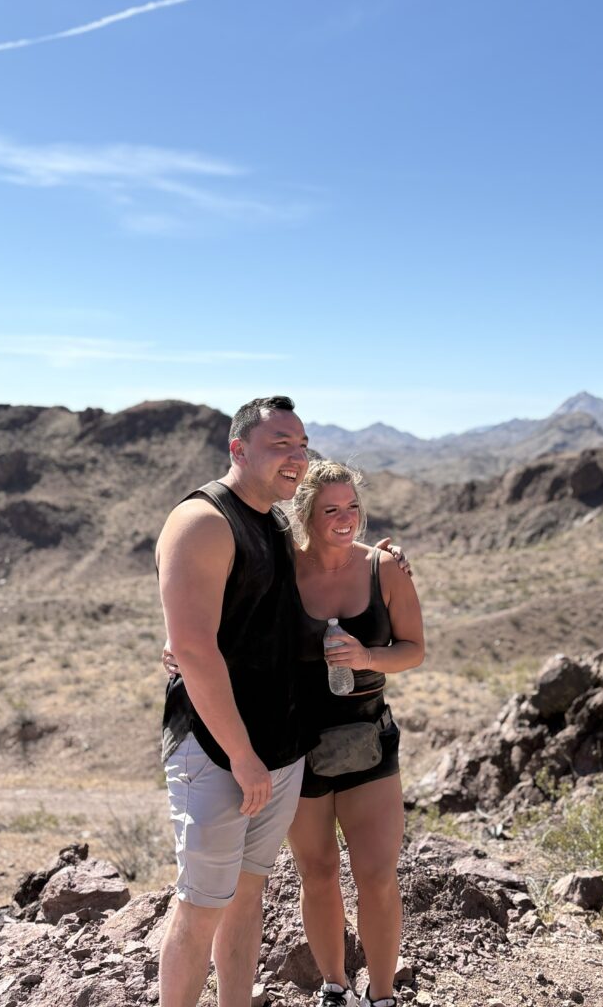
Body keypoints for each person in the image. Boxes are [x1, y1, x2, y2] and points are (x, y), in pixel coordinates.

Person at [156, 394, 312, 1007]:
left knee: (248, 901)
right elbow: (193, 651)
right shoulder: (202, 521)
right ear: (238, 448)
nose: (296, 457)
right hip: (218, 752)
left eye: (302, 446)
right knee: (200, 909)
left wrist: (382, 559)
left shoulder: (275, 521)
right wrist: (243, 757)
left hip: (277, 748)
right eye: (281, 445)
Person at [287, 459, 424, 1007]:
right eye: (330, 510)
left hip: (368, 738)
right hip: (298, 744)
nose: (345, 519)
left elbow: (414, 649)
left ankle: (383, 995)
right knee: (317, 872)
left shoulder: (383, 569)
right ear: (305, 515)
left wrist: (368, 655)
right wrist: (179, 644)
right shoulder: (282, 569)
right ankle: (334, 987)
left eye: (352, 507)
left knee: (375, 874)